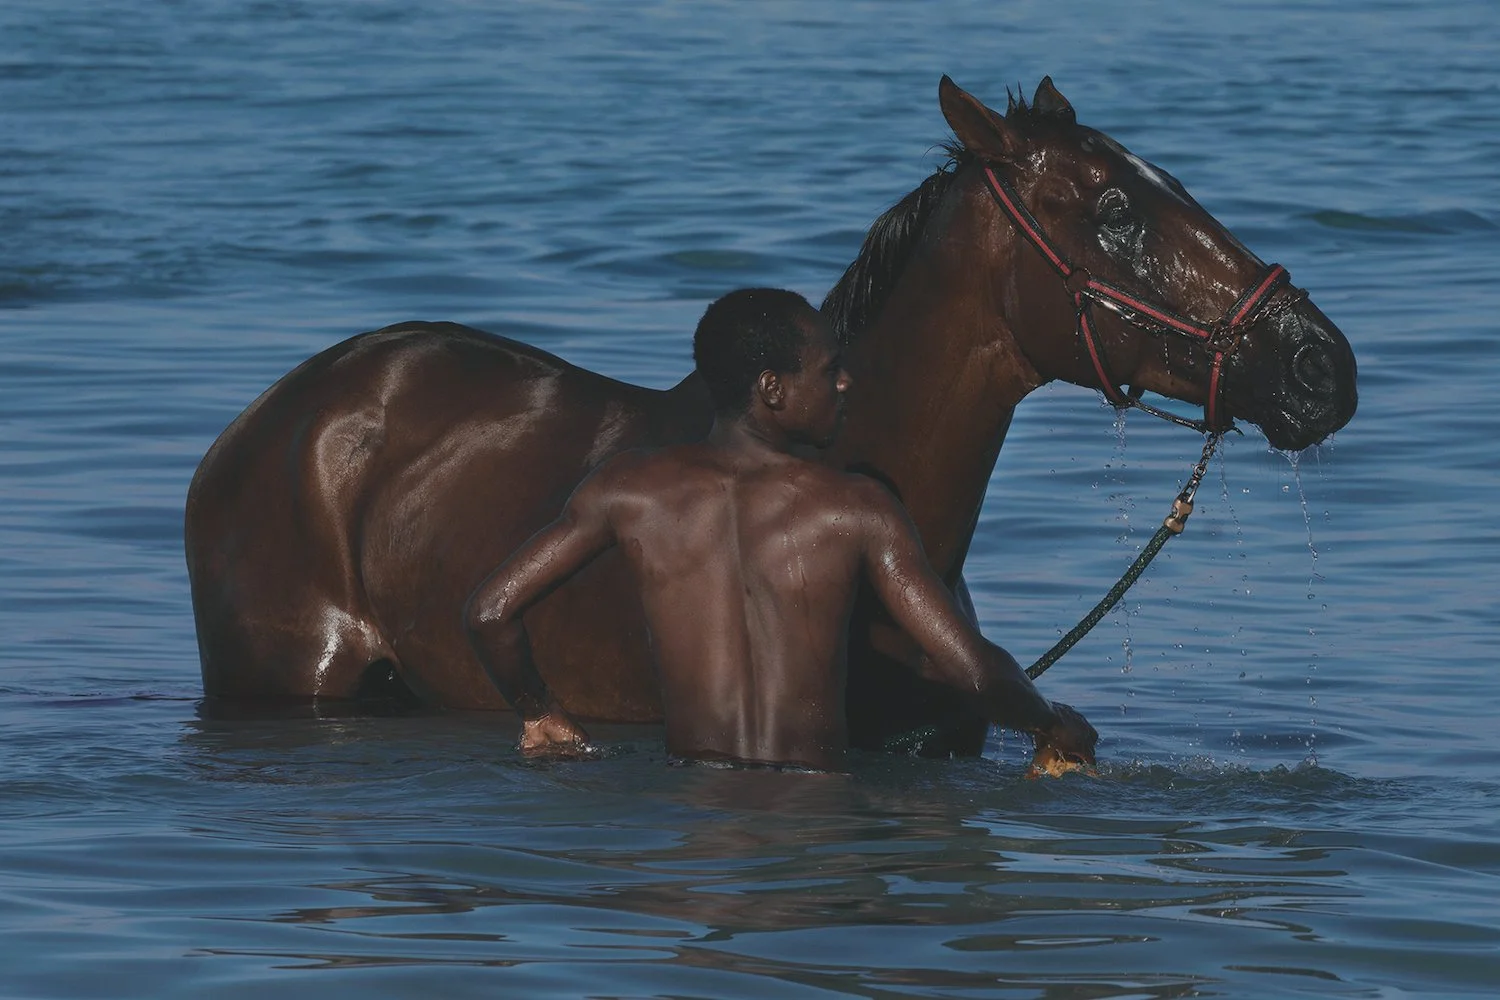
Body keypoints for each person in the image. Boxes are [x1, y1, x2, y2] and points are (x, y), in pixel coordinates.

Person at [465, 288, 1097, 773]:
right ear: (771, 388)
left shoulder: (627, 491)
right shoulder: (855, 507)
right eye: (828, 371)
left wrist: (539, 711)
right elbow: (975, 672)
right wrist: (1051, 723)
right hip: (815, 815)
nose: (846, 383)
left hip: (695, 814)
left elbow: (490, 611)